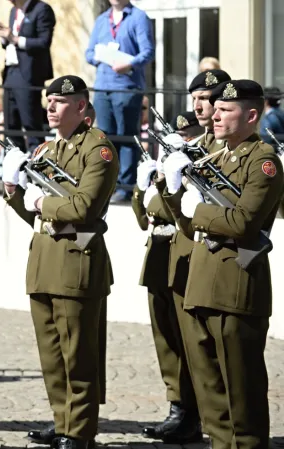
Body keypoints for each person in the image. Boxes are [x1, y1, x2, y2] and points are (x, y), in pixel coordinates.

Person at [159, 79, 282, 449]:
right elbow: (187, 221)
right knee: (210, 391)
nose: (215, 115)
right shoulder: (216, 156)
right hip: (201, 279)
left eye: (226, 110)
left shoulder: (262, 162)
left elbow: (244, 223)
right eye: (216, 109)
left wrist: (198, 208)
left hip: (236, 284)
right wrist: (172, 188)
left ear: (252, 115)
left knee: (240, 392)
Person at [1, 75, 118, 449]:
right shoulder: (48, 152)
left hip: (76, 262)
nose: (50, 108)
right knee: (52, 354)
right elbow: (36, 217)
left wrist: (40, 202)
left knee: (78, 355)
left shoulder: (97, 150)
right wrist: (13, 191)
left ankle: (79, 432)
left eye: (59, 102)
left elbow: (83, 208)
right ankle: (62, 420)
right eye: (48, 101)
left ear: (81, 107)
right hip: (44, 261)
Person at [130, 109, 203, 444]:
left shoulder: (196, 162)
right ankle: (177, 406)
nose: (181, 142)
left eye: (187, 136)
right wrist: (143, 184)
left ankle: (194, 411)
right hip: (158, 251)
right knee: (165, 338)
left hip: (182, 250)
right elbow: (145, 216)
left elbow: (175, 208)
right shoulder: (169, 165)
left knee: (187, 337)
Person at [85, 0, 154, 202]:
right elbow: (89, 53)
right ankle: (108, 185)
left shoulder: (138, 17)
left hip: (127, 87)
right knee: (105, 139)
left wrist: (129, 63)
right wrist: (99, 56)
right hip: (102, 87)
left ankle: (125, 187)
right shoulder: (101, 20)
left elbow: (147, 51)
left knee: (126, 138)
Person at [0, 0, 55, 151]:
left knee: (31, 123)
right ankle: (17, 167)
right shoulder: (13, 11)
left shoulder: (42, 9)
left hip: (28, 74)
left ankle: (39, 167)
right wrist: (4, 37)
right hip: (10, 72)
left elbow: (43, 42)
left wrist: (14, 38)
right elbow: (9, 43)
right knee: (10, 125)